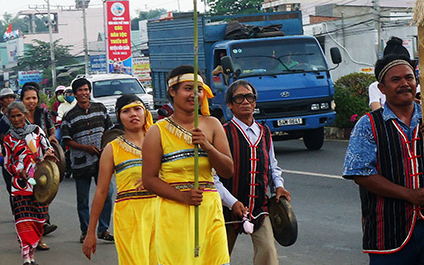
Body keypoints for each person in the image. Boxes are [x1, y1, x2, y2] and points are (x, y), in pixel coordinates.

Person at [343, 53, 424, 264]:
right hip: (388, 230)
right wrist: (410, 195)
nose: (404, 84)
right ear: (382, 88)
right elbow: (361, 174)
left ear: (417, 82)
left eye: (409, 78)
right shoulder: (368, 125)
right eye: (396, 80)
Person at [141, 65, 233, 265]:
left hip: (209, 211)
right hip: (174, 213)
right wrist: (183, 197)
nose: (195, 94)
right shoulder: (157, 131)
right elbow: (148, 180)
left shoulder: (212, 125)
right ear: (172, 91)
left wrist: (207, 146)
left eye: (199, 89)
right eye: (188, 88)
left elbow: (228, 170)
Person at [218, 80, 289, 264]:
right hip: (226, 209)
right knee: (218, 256)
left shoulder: (264, 132)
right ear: (230, 104)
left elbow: (272, 165)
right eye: (239, 98)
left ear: (255, 102)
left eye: (249, 97)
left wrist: (279, 187)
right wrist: (232, 203)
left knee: (268, 253)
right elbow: (213, 176)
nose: (245, 102)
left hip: (258, 208)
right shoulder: (223, 133)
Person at [82, 94, 156, 264]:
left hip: (161, 213)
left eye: (137, 109)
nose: (133, 114)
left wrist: (154, 180)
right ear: (118, 116)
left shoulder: (160, 142)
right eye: (126, 111)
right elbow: (101, 192)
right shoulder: (112, 149)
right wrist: (91, 232)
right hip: (129, 217)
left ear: (145, 112)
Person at [60, 77, 115, 244]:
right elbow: (67, 140)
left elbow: (110, 132)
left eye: (86, 90)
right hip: (81, 162)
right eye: (80, 90)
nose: (84, 93)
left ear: (89, 91)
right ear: (75, 94)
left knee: (107, 193)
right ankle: (85, 231)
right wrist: (86, 148)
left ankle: (103, 229)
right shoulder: (69, 116)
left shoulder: (100, 108)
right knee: (82, 200)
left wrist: (107, 148)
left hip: (101, 160)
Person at [3, 101, 54, 265]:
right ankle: (27, 257)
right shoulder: (8, 139)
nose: (17, 119)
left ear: (24, 115)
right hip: (20, 185)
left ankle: (31, 251)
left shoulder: (37, 132)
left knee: (39, 220)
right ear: (9, 118)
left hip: (40, 183)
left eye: (19, 115)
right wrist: (19, 172)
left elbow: (48, 148)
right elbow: (7, 163)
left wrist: (49, 156)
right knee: (23, 221)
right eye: (13, 116)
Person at [20, 83, 58, 242]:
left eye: (34, 98)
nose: (31, 101)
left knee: (44, 189)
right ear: (22, 100)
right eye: (27, 98)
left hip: (44, 160)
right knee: (31, 194)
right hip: (25, 161)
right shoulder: (18, 116)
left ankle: (43, 222)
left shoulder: (43, 113)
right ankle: (34, 229)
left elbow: (51, 130)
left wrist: (50, 140)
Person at [0, 87, 16, 194]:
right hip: (6, 153)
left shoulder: (20, 113)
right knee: (10, 185)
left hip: (21, 151)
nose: (10, 100)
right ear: (1, 101)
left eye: (11, 97)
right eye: (7, 98)